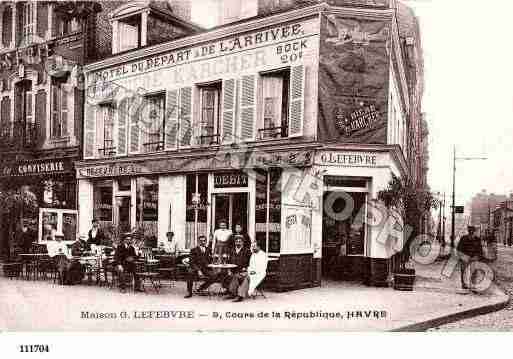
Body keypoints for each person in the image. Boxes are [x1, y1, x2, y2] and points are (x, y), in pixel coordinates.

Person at [457, 225, 484, 290]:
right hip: (465, 257)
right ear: (468, 231)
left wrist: (477, 257)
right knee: (464, 271)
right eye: (470, 231)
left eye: (472, 231)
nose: (471, 232)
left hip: (474, 257)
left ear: (474, 232)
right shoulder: (463, 238)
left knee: (474, 271)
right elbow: (459, 249)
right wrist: (463, 257)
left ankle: (472, 284)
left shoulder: (477, 239)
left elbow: (480, 250)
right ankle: (464, 284)